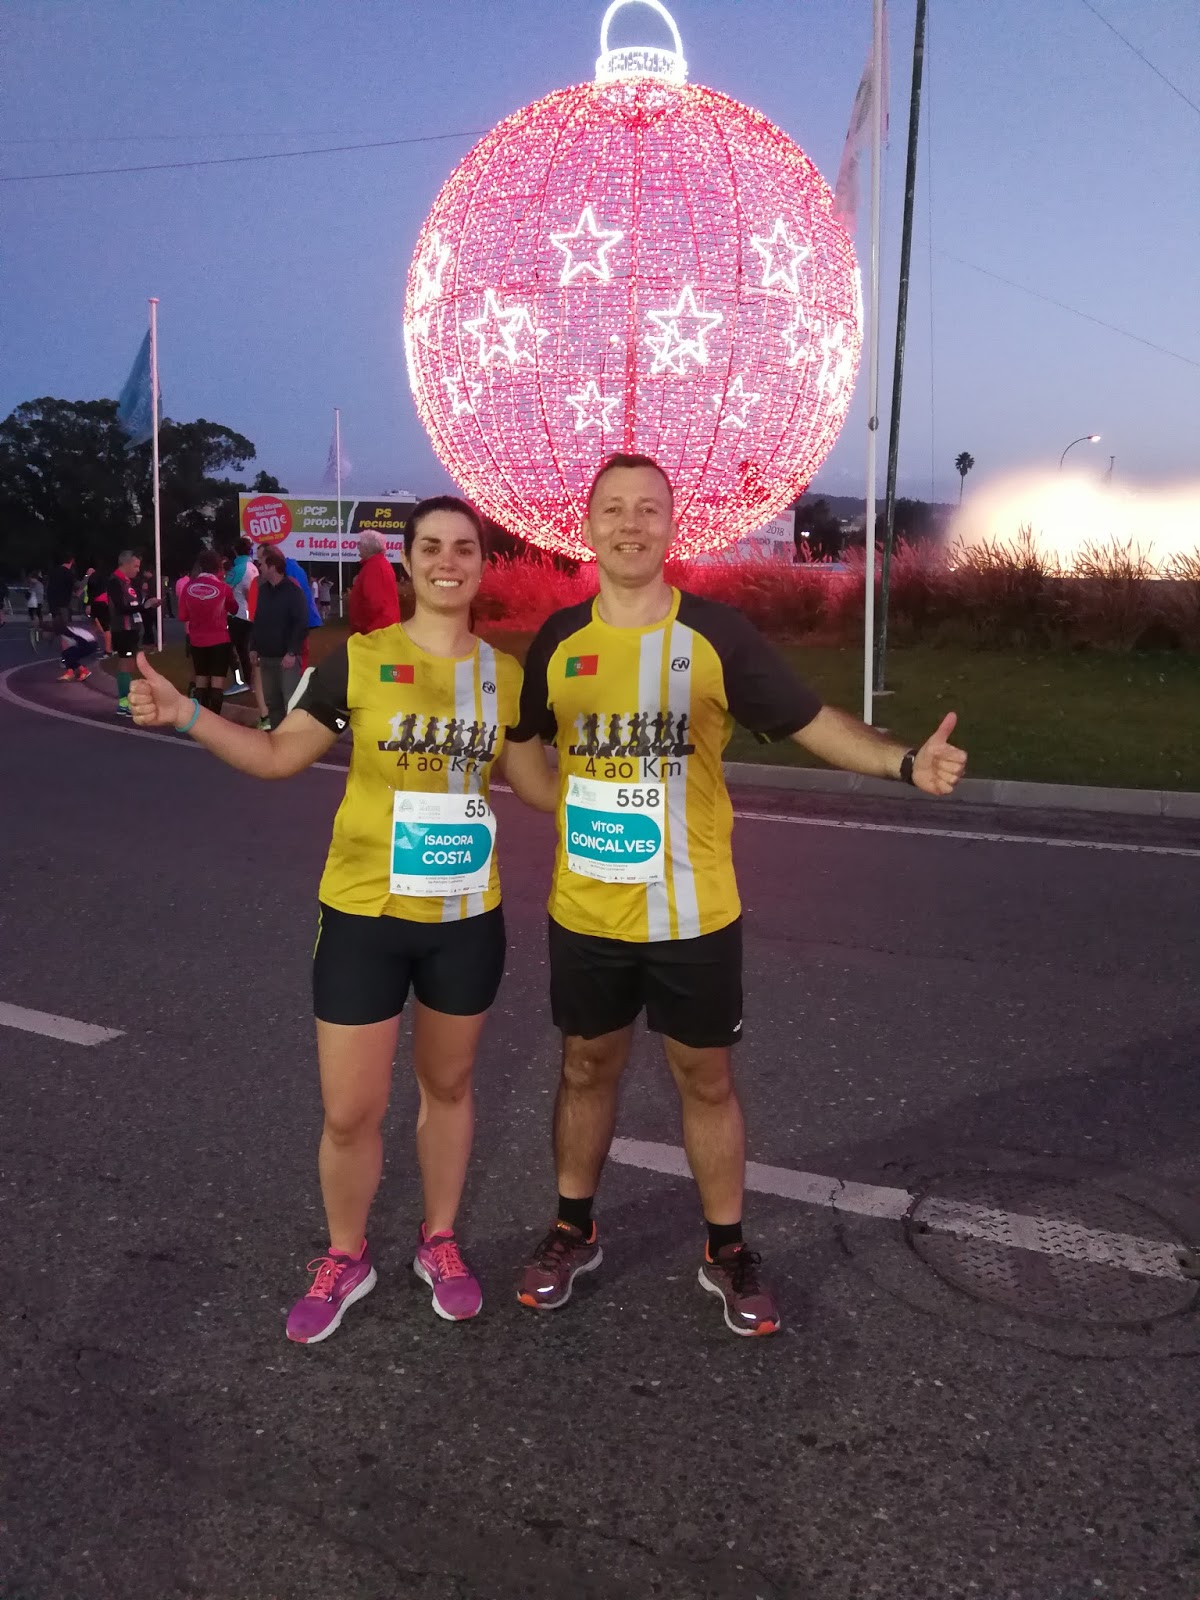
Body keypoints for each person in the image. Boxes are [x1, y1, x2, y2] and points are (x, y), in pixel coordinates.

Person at [505, 453, 968, 1338]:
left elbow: (809, 721)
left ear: (672, 526)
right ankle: (572, 1230)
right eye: (614, 508)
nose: (631, 524)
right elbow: (525, 738)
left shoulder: (716, 636)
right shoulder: (559, 639)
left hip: (694, 910)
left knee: (706, 1079)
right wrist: (560, 801)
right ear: (589, 525)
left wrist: (904, 762)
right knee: (585, 1066)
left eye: (649, 508)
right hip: (587, 911)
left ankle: (726, 1249)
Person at [126, 495, 556, 1341]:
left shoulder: (505, 677)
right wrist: (188, 714)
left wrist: (637, 776)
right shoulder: (359, 659)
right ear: (408, 562)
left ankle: (439, 1240)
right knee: (350, 1111)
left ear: (482, 564)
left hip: (466, 919)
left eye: (464, 548)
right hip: (364, 912)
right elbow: (279, 755)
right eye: (431, 547)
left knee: (449, 1088)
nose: (447, 561)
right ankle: (346, 1254)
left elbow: (540, 787)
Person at [251, 546, 310, 728]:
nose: (259, 567)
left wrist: (292, 652)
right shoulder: (263, 591)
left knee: (290, 701)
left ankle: (294, 737)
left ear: (272, 566)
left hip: (286, 659)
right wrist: (253, 646)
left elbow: (301, 623)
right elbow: (258, 620)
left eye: (262, 564)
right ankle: (277, 735)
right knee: (272, 702)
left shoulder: (293, 591)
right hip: (266, 657)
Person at [177, 549, 237, 715]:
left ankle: (199, 717)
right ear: (218, 567)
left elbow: (182, 616)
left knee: (200, 680)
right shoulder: (223, 588)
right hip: (220, 639)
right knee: (217, 682)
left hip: (197, 640)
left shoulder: (188, 587)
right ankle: (214, 719)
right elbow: (234, 608)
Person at [106, 551, 159, 716]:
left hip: (132, 628)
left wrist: (147, 605)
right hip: (123, 628)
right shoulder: (115, 581)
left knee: (129, 664)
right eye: (135, 566)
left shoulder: (127, 582)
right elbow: (121, 608)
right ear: (126, 564)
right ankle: (124, 703)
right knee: (125, 663)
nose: (138, 570)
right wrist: (145, 606)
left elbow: (133, 605)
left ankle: (126, 702)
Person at [347, 531, 401, 634]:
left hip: (376, 633)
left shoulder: (375, 567)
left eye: (360, 543)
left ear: (368, 547)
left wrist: (369, 632)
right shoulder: (375, 565)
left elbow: (378, 604)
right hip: (376, 630)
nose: (357, 546)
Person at [224, 537, 258, 695]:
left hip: (237, 615)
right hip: (249, 615)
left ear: (235, 551)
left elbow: (224, 589)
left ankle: (240, 682)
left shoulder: (238, 569)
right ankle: (250, 683)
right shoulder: (253, 567)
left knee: (229, 649)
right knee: (244, 650)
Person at [45, 557, 76, 635]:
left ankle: (50, 636)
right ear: (71, 561)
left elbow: (49, 587)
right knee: (65, 627)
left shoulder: (53, 572)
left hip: (53, 603)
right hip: (64, 604)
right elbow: (73, 587)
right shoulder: (68, 573)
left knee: (56, 626)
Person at [85, 567, 111, 655]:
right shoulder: (105, 578)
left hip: (96, 603)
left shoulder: (92, 579)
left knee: (101, 626)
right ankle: (100, 646)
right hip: (104, 602)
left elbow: (90, 592)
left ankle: (107, 650)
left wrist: (89, 604)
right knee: (98, 626)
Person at [27, 572, 45, 646]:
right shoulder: (33, 584)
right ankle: (36, 624)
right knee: (34, 613)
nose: (30, 580)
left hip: (37, 602)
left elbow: (35, 592)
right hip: (34, 602)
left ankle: (38, 625)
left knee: (37, 612)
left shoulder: (38, 585)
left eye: (31, 578)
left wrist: (31, 593)